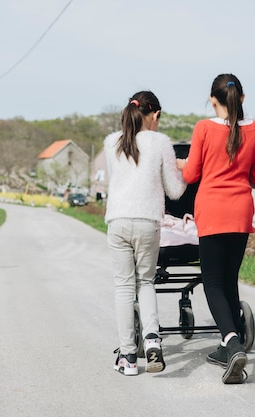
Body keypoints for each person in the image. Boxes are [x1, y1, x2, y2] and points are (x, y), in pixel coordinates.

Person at [178, 73, 255, 384]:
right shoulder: (254, 130)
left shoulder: (203, 128)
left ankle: (231, 342)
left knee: (212, 282)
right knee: (229, 280)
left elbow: (190, 174)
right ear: (241, 99)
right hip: (240, 212)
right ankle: (231, 343)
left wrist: (179, 164)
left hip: (212, 212)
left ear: (213, 101)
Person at [104, 91, 186, 376]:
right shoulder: (160, 142)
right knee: (146, 282)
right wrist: (185, 171)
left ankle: (127, 357)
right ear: (154, 115)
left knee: (124, 287)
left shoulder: (111, 142)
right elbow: (175, 191)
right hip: (146, 221)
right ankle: (152, 342)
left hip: (116, 221)